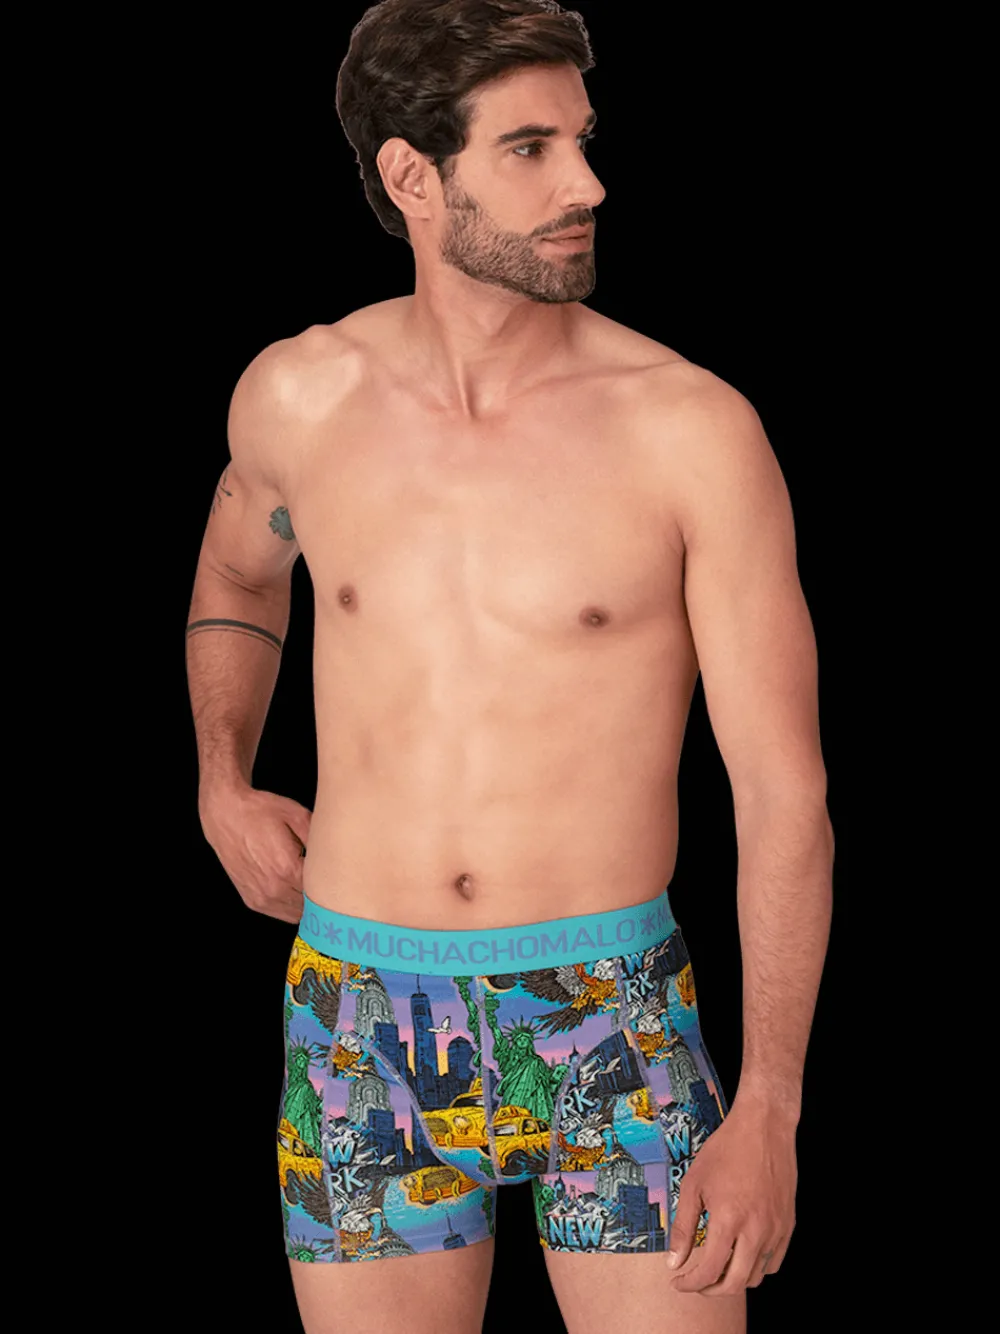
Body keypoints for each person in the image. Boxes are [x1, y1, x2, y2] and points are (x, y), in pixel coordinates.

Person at [185, 2, 834, 1331]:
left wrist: (771, 1104)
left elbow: (784, 794)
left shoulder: (690, 432)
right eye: (531, 149)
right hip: (360, 1013)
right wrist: (221, 779)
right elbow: (240, 578)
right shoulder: (298, 398)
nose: (587, 184)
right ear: (413, 177)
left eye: (583, 142)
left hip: (609, 1009)